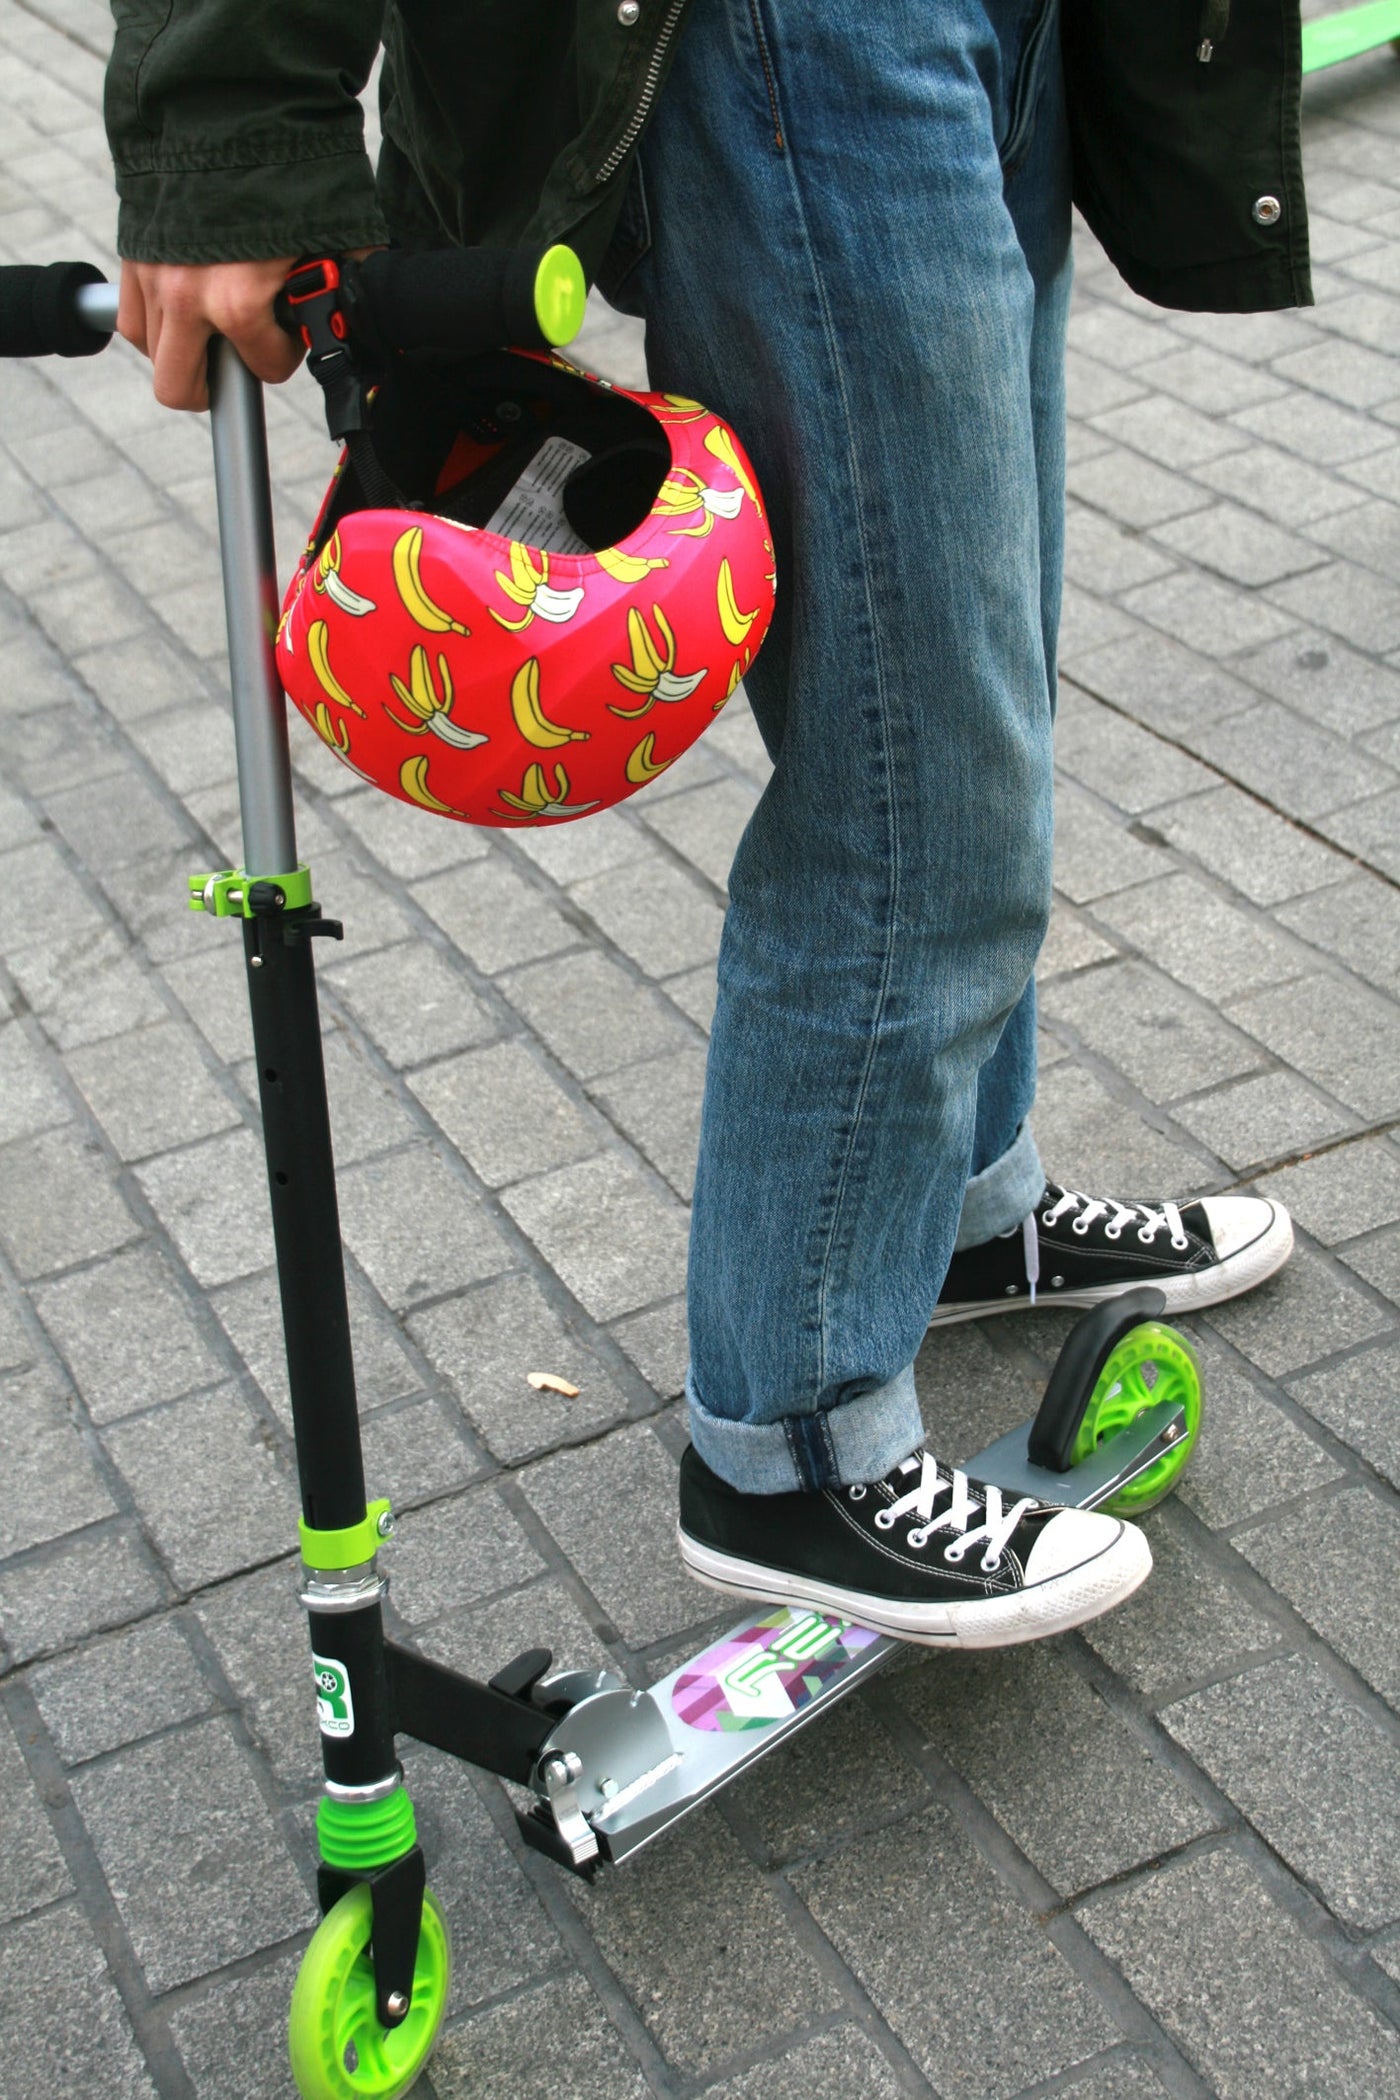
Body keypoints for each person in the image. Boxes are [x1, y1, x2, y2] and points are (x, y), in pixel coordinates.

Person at [107, 0, 1308, 1648]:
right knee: (917, 769)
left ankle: (961, 1211)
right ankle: (791, 1441)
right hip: (804, 40)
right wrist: (225, 130)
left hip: (1002, 29)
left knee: (985, 664)